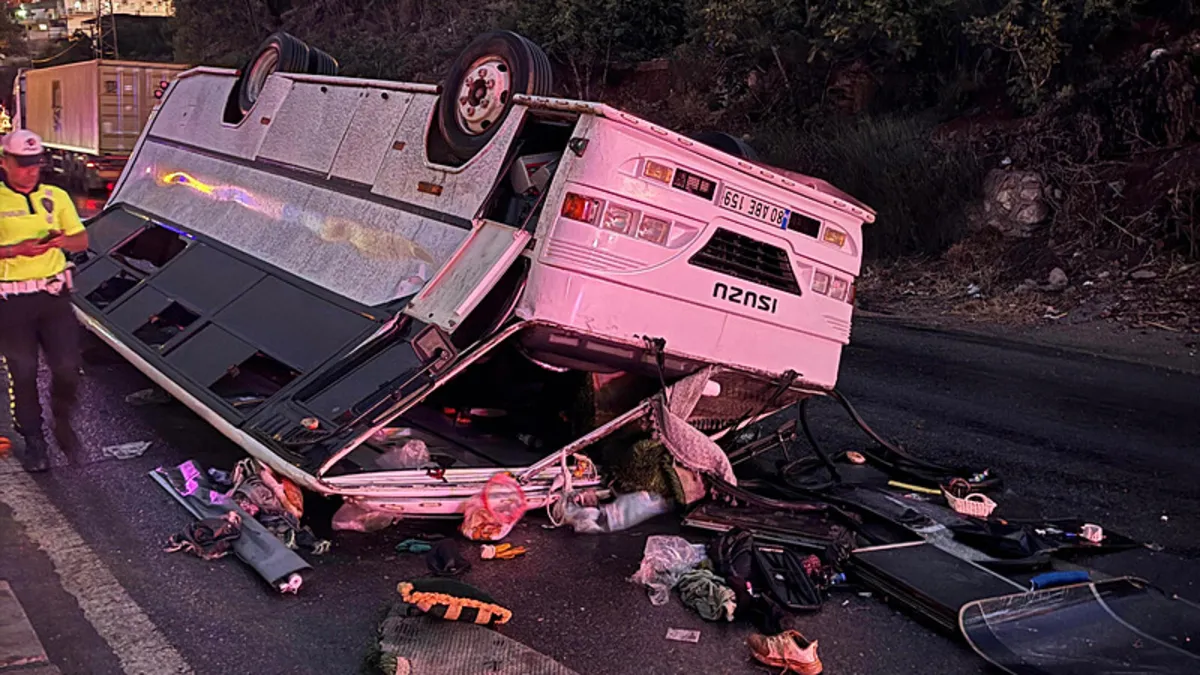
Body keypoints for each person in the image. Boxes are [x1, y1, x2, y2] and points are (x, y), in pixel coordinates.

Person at [0, 129, 88, 472]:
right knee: (22, 371)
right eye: (22, 164)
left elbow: (81, 240)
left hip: (52, 296)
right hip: (11, 301)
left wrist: (60, 240)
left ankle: (62, 422)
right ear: (5, 162)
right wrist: (14, 251)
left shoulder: (56, 195)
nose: (30, 171)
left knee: (67, 368)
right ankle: (33, 438)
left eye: (35, 164)